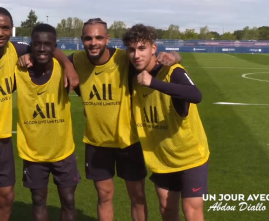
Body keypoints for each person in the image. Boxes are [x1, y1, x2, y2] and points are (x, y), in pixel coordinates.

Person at [19, 18, 181, 221]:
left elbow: (153, 61)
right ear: (82, 40)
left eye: (98, 37)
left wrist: (174, 55)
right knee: (104, 196)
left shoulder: (123, 58)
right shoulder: (77, 60)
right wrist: (65, 64)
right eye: (88, 38)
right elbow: (52, 51)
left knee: (137, 197)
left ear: (107, 38)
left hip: (128, 141)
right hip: (97, 143)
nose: (93, 42)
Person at [0, 7, 78, 221]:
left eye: (5, 28)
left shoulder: (15, 49)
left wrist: (67, 65)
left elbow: (46, 46)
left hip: (2, 139)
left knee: (7, 197)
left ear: (11, 30)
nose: (0, 32)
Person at [124, 24, 209, 221]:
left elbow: (196, 95)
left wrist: (154, 82)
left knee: (192, 211)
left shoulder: (173, 72)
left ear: (154, 48)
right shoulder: (132, 72)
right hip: (161, 156)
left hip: (190, 156)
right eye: (131, 49)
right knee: (166, 210)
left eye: (142, 48)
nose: (136, 55)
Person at [15, 23, 80, 221]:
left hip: (63, 151)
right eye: (37, 44)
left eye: (47, 44)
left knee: (68, 200)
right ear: (30, 45)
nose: (42, 48)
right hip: (33, 153)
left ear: (55, 46)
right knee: (38, 200)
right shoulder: (18, 69)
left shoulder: (64, 70)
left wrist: (68, 64)